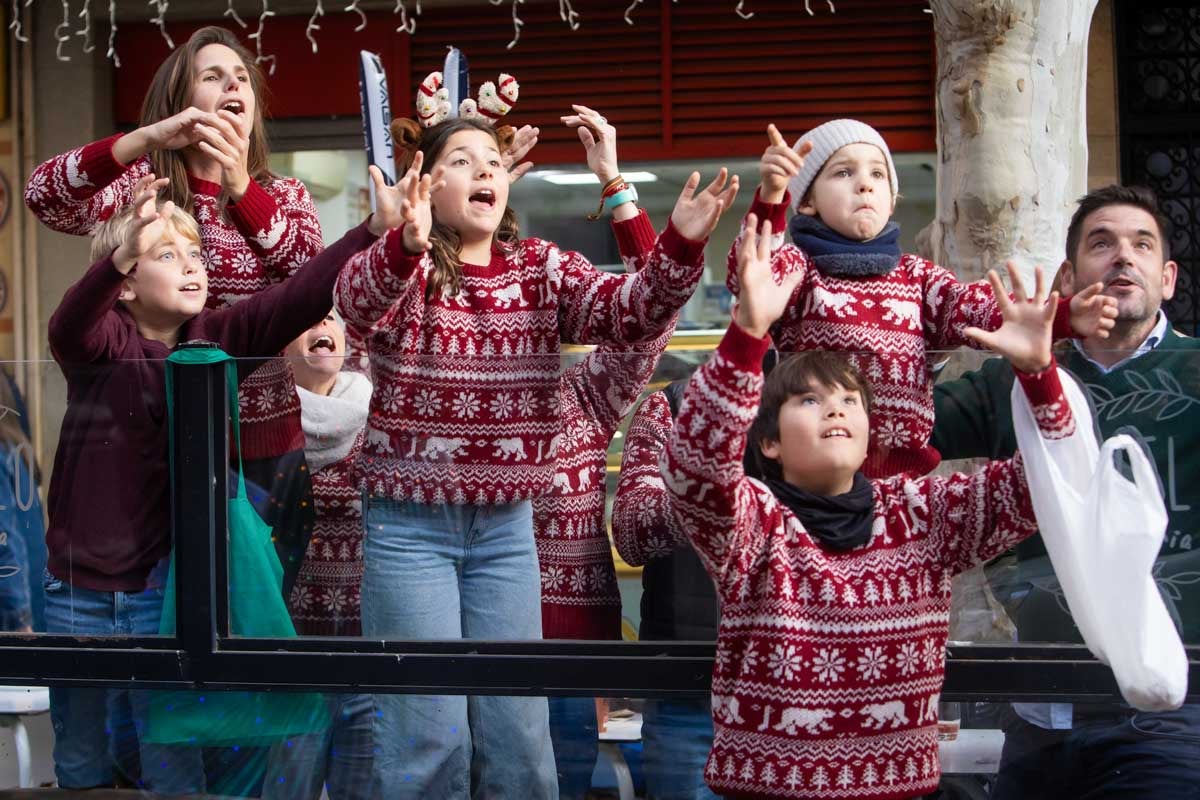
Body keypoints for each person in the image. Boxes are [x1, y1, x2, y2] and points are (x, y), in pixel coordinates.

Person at [334, 78, 729, 793]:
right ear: (425, 180)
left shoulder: (543, 269)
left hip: (507, 527)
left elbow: (633, 314)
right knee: (429, 736)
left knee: (519, 735)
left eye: (493, 158)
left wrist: (678, 243)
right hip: (409, 529)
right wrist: (399, 243)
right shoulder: (407, 268)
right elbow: (354, 308)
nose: (486, 168)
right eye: (462, 158)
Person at [662, 215, 1087, 799]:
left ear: (869, 428)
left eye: (849, 400)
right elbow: (695, 466)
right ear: (769, 441)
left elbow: (1054, 483)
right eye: (809, 400)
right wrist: (748, 330)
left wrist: (1039, 376)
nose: (835, 409)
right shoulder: (754, 525)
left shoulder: (921, 515)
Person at [42, 174, 380, 794]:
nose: (192, 266)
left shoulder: (218, 338)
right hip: (76, 587)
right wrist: (116, 256)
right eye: (166, 255)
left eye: (195, 254)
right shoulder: (100, 343)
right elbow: (68, 324)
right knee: (82, 757)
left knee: (170, 754)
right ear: (125, 285)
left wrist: (370, 233)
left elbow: (299, 297)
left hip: (162, 590)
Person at [25, 25, 325, 593]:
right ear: (180, 105)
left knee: (253, 626)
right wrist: (143, 139)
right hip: (153, 447)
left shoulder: (282, 196)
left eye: (241, 79)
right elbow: (44, 196)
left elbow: (309, 282)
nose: (233, 84)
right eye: (212, 77)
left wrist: (241, 188)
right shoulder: (144, 186)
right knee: (170, 621)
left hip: (262, 453)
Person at [930, 184, 1200, 800]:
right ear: (1069, 276)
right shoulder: (1011, 375)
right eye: (1101, 244)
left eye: (1141, 244)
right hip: (1040, 712)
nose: (1123, 257)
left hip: (1176, 707)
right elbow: (894, 431)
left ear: (1168, 278)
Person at [727, 119, 1116, 478]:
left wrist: (1063, 316)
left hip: (904, 482)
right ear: (807, 202)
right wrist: (772, 197)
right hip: (814, 477)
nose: (864, 184)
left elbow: (972, 308)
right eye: (844, 172)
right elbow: (748, 274)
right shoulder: (801, 269)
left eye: (877, 174)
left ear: (891, 201)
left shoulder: (916, 276)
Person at [259, 312, 375, 800]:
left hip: (372, 658)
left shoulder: (381, 417)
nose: (321, 325)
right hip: (289, 660)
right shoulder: (260, 428)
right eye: (304, 319)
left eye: (331, 317)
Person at [0, 371, 45, 634]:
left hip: (13, 616)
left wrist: (20, 621)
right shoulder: (15, 451)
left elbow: (5, 540)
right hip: (29, 603)